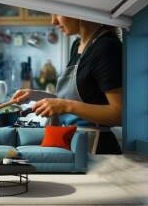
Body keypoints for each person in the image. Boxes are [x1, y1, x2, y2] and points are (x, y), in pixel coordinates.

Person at [12, 15, 122, 154]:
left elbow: (120, 114)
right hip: (71, 139)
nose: (53, 21)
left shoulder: (107, 48)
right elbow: (79, 99)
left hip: (96, 147)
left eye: (57, 13)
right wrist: (36, 95)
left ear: (76, 9)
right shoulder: (77, 45)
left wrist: (65, 105)